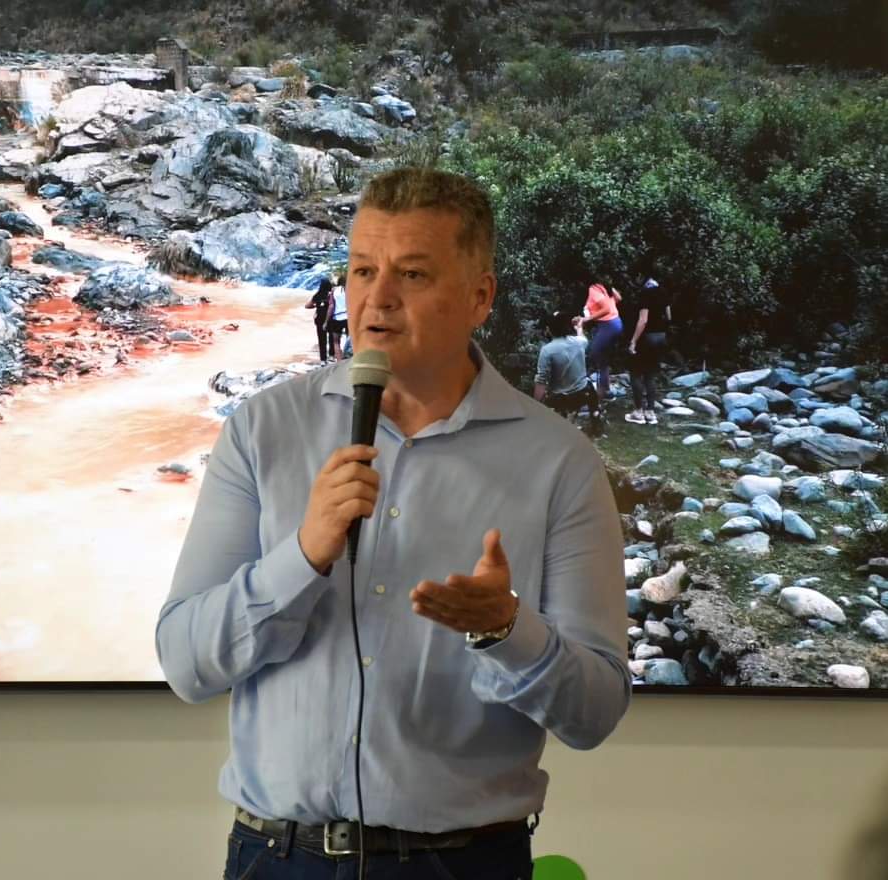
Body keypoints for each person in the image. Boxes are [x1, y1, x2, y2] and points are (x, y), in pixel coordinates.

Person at [156, 167, 629, 880]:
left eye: (411, 274)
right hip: (275, 859)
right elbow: (187, 664)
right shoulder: (263, 429)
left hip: (461, 864)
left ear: (479, 297)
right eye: (361, 270)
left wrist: (506, 629)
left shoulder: (557, 462)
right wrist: (303, 554)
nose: (375, 300)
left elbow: (593, 712)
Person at [533, 310, 604, 436]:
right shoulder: (579, 342)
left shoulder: (547, 350)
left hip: (561, 399)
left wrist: (535, 404)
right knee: (589, 386)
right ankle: (596, 424)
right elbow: (582, 337)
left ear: (548, 329)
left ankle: (560, 422)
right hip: (582, 394)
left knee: (551, 395)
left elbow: (541, 381)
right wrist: (579, 327)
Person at [625, 277, 671, 426]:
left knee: (636, 373)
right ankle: (650, 412)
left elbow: (643, 320)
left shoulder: (645, 296)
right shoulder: (664, 295)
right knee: (650, 375)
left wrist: (633, 341)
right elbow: (669, 316)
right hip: (661, 337)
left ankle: (638, 412)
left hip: (647, 338)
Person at [580, 281, 623, 399]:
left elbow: (606, 309)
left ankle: (602, 393)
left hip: (608, 325)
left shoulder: (593, 289)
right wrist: (610, 287)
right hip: (615, 324)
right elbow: (618, 298)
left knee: (596, 354)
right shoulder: (602, 289)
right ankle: (606, 390)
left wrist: (587, 319)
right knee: (602, 358)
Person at [305, 275, 334, 363]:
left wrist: (316, 306)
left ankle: (323, 359)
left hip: (319, 319)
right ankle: (332, 355)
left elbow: (307, 306)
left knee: (321, 339)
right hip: (330, 319)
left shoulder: (317, 295)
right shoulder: (331, 295)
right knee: (331, 337)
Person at [325, 275, 349, 360]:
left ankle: (339, 362)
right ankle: (350, 358)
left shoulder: (334, 290)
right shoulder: (352, 290)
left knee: (336, 342)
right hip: (349, 317)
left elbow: (331, 306)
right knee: (350, 340)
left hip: (337, 318)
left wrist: (326, 321)